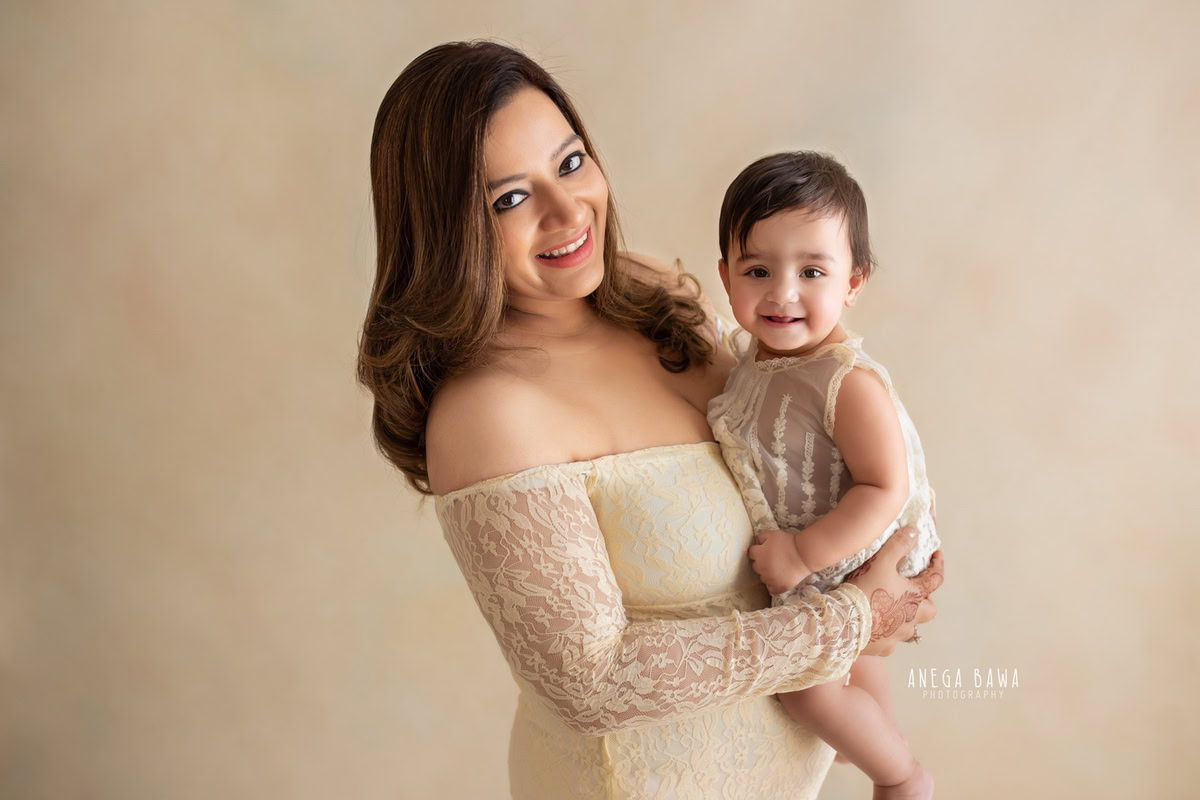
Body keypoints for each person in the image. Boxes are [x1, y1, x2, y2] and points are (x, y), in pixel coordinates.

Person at [357, 40, 944, 800]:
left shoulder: (656, 292)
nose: (569, 213)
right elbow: (591, 686)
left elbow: (801, 438)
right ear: (446, 229)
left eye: (570, 164)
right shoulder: (488, 413)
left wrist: (903, 533)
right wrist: (853, 619)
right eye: (510, 198)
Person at [708, 151, 941, 797]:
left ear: (853, 283)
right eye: (758, 269)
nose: (783, 292)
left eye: (812, 270)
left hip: (855, 547)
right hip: (834, 552)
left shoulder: (847, 382)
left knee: (807, 692)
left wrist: (803, 555)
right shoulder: (755, 357)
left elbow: (883, 487)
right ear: (727, 278)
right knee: (859, 666)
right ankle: (876, 727)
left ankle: (901, 777)